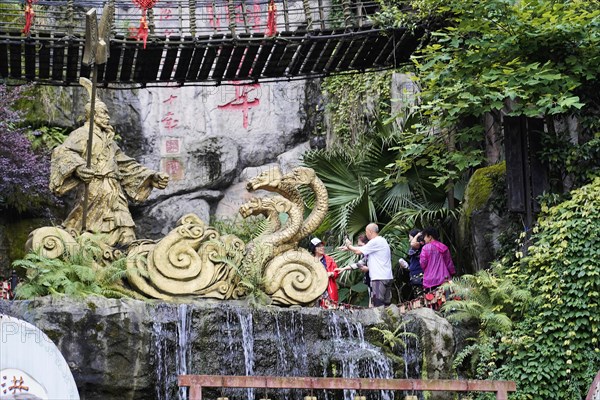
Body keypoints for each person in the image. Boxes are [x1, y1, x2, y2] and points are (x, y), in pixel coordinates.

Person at [50, 80, 169, 248]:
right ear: (92, 115)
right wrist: (78, 168)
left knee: (126, 228)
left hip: (114, 189)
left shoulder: (110, 142)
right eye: (103, 113)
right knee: (87, 230)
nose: (107, 117)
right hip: (94, 188)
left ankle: (128, 261)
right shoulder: (82, 134)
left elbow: (126, 164)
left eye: (107, 114)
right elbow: (62, 152)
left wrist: (152, 176)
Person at [341, 223, 393, 307]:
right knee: (387, 305)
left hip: (378, 279)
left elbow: (358, 251)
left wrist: (349, 245)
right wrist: (349, 248)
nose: (366, 234)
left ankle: (381, 320)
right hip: (387, 277)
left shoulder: (375, 241)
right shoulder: (382, 241)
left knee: (378, 305)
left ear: (370, 231)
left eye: (366, 232)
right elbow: (362, 249)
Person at [309, 237, 340, 308]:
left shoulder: (329, 259)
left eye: (322, 246)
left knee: (330, 309)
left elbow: (336, 272)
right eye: (319, 246)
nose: (322, 248)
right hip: (314, 289)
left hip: (328, 288)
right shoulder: (310, 260)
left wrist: (331, 273)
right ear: (314, 249)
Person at [399, 229, 424, 300]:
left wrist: (418, 235)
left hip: (419, 275)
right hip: (415, 275)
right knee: (418, 297)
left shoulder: (419, 246)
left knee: (421, 297)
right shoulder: (415, 249)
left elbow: (413, 244)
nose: (410, 240)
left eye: (410, 238)